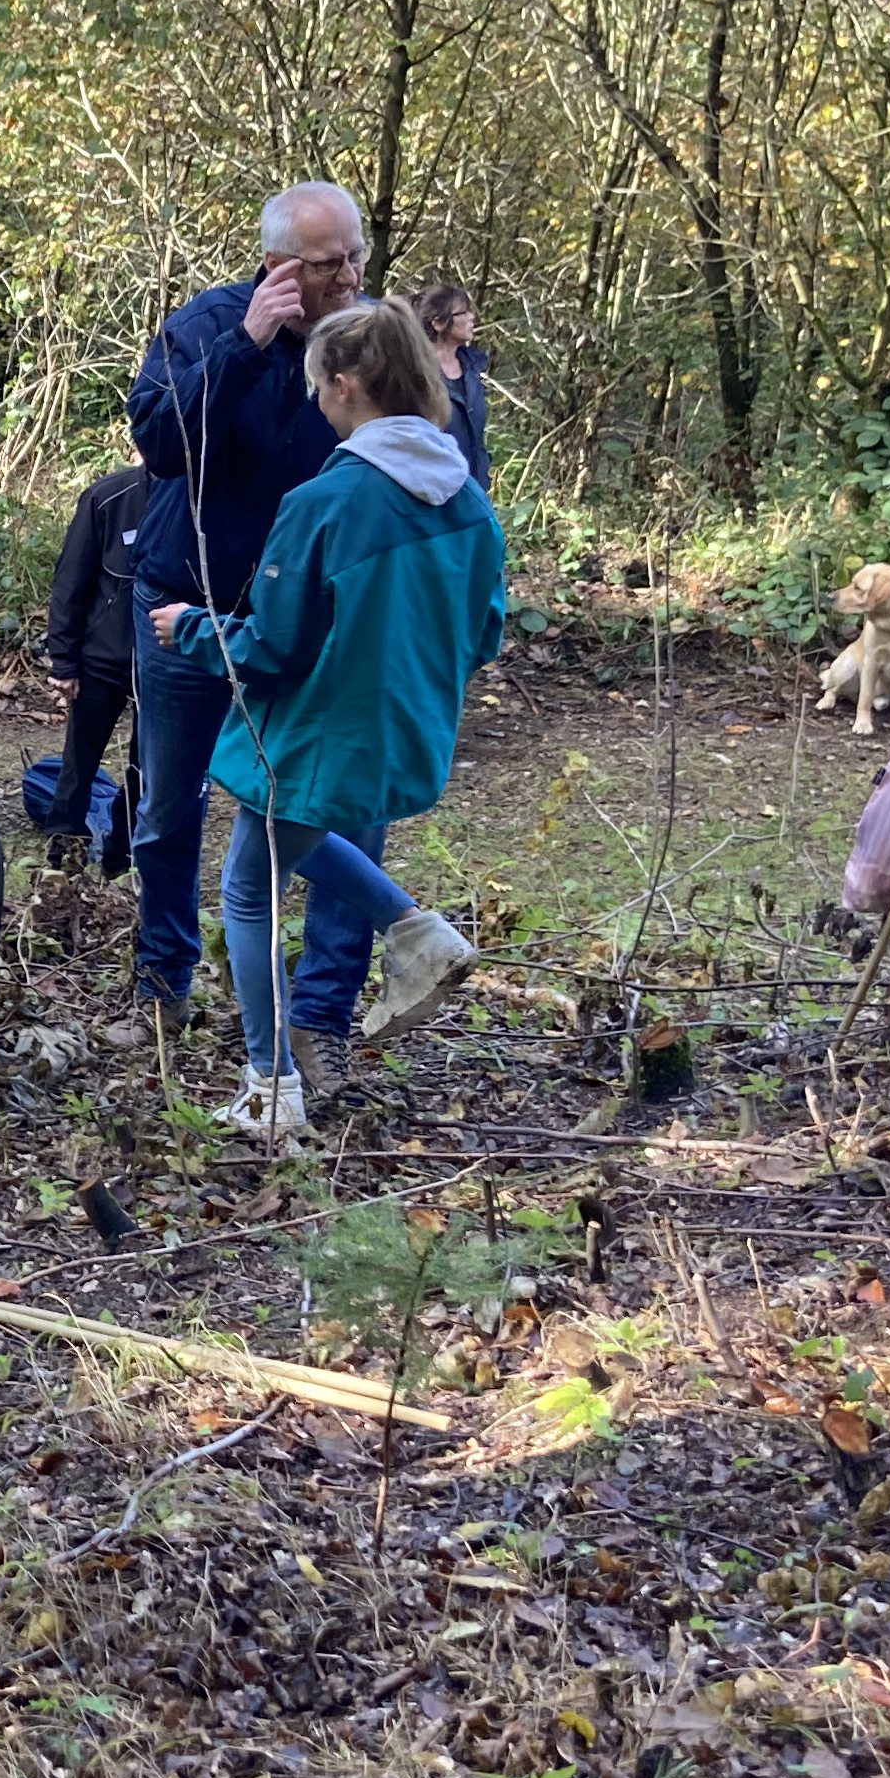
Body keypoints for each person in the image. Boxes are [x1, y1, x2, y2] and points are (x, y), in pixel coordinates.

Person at [149, 298, 503, 1137]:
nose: (315, 403)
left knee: (247, 888)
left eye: (319, 387)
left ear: (344, 384)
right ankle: (416, 932)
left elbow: (272, 646)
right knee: (294, 842)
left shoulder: (328, 500)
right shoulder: (466, 497)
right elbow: (483, 630)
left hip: (314, 736)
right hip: (402, 732)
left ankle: (270, 1089)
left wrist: (190, 628)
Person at [124, 181, 383, 1061]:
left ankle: (320, 1017)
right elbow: (160, 444)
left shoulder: (372, 342)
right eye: (327, 263)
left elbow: (429, 450)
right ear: (277, 267)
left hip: (317, 625)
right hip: (187, 604)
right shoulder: (207, 325)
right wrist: (247, 345)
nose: (349, 276)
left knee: (337, 815)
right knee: (169, 805)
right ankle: (164, 979)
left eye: (357, 253)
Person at [36, 437, 153, 873]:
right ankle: (64, 850)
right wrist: (63, 661)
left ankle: (123, 853)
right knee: (79, 762)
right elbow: (71, 583)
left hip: (162, 665)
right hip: (102, 659)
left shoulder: (198, 501)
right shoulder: (107, 497)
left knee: (147, 768)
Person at [408, 282, 494, 484]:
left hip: (474, 491)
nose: (471, 317)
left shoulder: (473, 368)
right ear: (438, 323)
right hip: (435, 491)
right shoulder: (416, 374)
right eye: (463, 313)